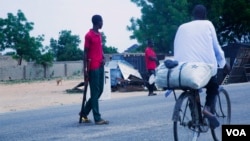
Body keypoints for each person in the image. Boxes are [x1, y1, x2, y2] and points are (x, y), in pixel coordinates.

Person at [173, 4, 230, 129]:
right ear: (204, 15)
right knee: (213, 86)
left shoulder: (182, 27)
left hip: (181, 70)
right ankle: (207, 109)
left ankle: (195, 118)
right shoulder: (208, 24)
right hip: (202, 68)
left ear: (192, 15)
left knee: (191, 89)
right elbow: (216, 48)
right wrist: (224, 64)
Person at [80, 14, 109, 125]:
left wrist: (103, 57)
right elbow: (85, 52)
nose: (103, 24)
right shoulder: (89, 35)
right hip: (93, 67)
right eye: (102, 21)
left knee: (100, 90)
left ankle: (84, 112)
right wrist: (85, 70)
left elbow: (100, 48)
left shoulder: (99, 35)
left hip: (100, 65)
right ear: (98, 22)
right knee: (95, 92)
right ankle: (97, 118)